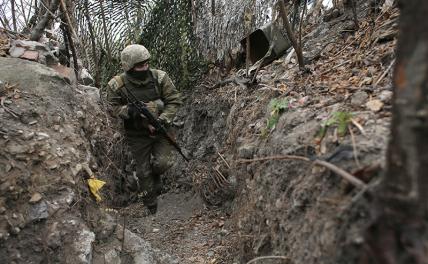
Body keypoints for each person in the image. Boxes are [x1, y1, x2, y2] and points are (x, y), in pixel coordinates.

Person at [105, 44, 182, 214]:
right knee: (143, 171)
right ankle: (151, 206)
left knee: (163, 163)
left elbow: (174, 101)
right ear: (129, 66)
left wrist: (162, 119)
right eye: (140, 65)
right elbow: (110, 109)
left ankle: (157, 178)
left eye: (146, 63)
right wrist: (129, 111)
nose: (145, 67)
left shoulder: (160, 78)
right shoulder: (116, 85)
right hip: (136, 134)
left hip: (161, 128)